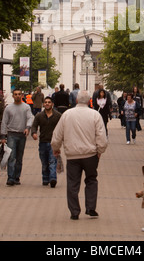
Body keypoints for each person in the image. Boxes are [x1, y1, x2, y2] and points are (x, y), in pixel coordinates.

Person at [51, 90, 108, 220]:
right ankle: (91, 208)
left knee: (72, 184)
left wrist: (56, 148)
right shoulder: (95, 115)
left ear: (76, 100)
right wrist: (100, 150)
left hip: (73, 155)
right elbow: (101, 136)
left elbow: (57, 134)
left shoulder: (66, 115)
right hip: (90, 155)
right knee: (91, 180)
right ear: (89, 101)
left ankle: (74, 211)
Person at [0, 89, 34, 186]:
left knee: (19, 157)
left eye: (19, 94)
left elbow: (29, 118)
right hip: (11, 134)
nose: (17, 96)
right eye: (15, 94)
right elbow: (4, 121)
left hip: (22, 134)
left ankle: (16, 177)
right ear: (13, 96)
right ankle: (10, 177)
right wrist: (3, 135)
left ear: (22, 95)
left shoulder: (26, 107)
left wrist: (28, 128)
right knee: (11, 157)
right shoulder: (8, 108)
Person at [31, 96, 61, 187]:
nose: (47, 104)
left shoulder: (58, 115)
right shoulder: (39, 115)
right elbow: (34, 126)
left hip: (53, 143)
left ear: (52, 104)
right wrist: (34, 133)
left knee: (52, 161)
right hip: (43, 142)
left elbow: (62, 127)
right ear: (43, 104)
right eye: (46, 102)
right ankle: (45, 178)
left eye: (49, 102)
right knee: (44, 163)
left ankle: (53, 179)